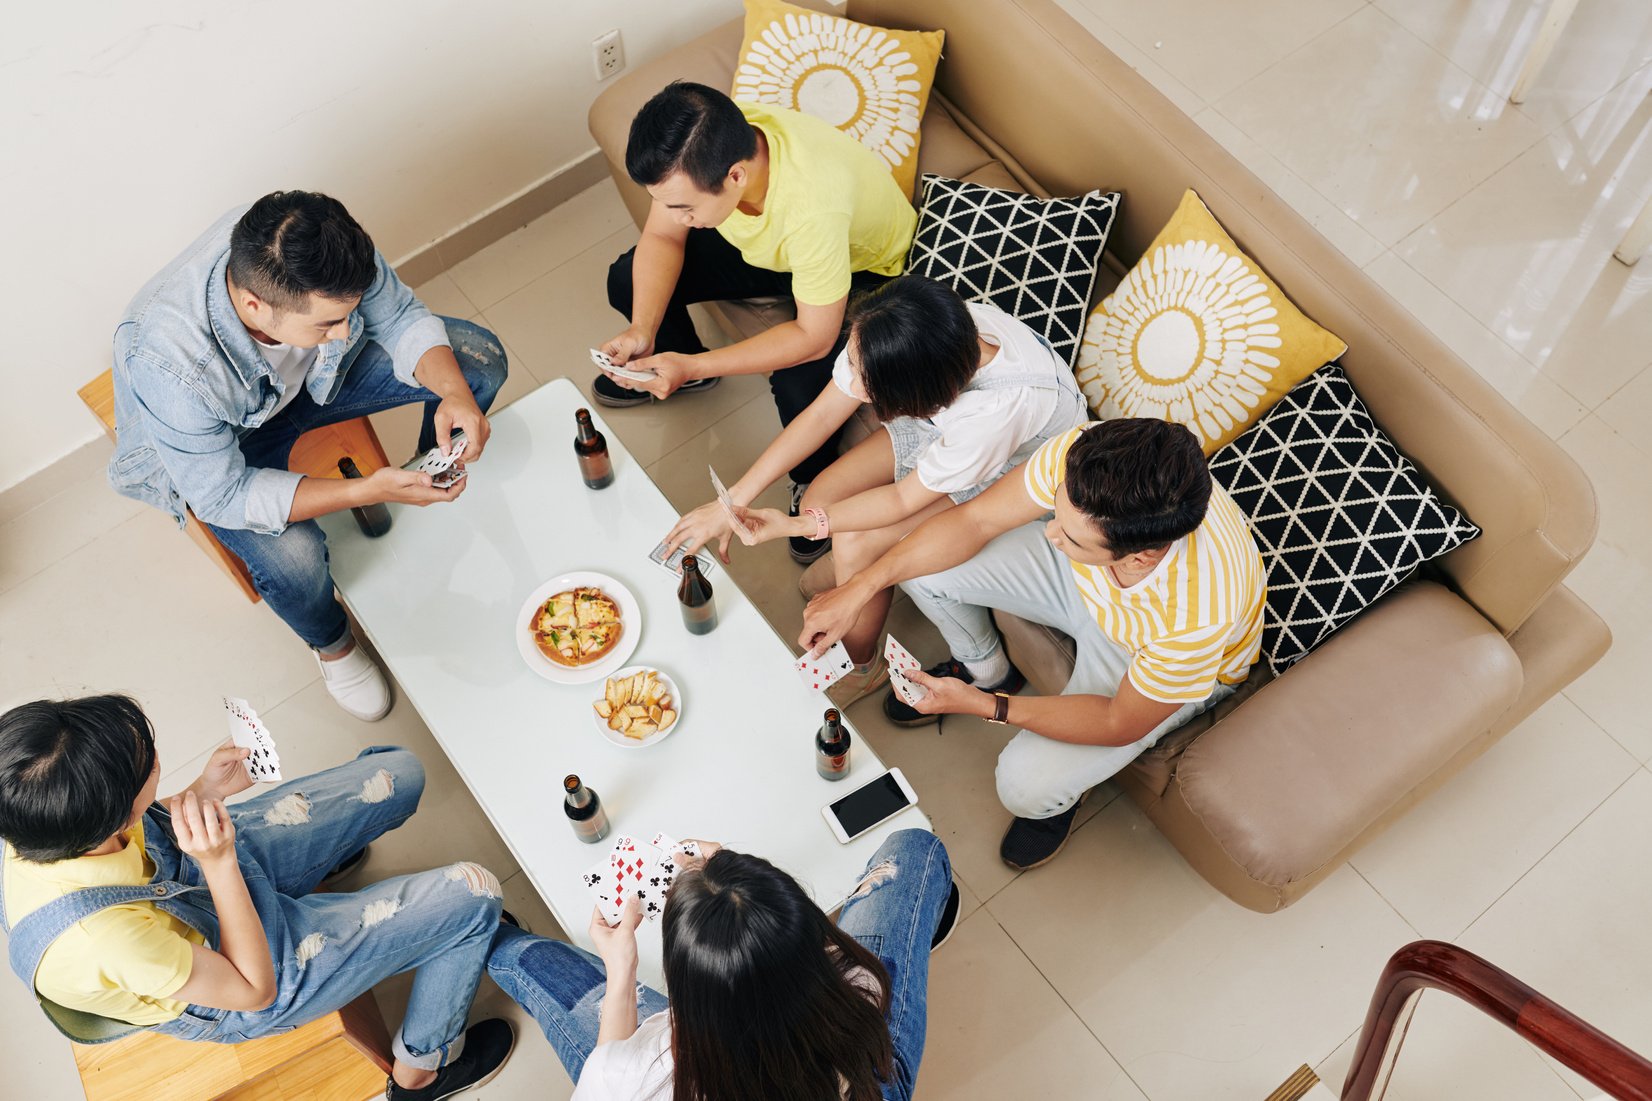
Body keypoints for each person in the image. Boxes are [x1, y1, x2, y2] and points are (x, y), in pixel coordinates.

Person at [108, 191, 509, 721]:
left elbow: (398, 317)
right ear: (255, 307)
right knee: (293, 559)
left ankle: (426, 472)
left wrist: (454, 393)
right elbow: (223, 495)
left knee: (477, 362)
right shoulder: (168, 363)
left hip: (319, 383)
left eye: (347, 312)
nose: (344, 331)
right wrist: (365, 489)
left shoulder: (318, 243)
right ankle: (332, 643)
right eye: (326, 324)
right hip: (229, 447)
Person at [798, 419, 1266, 870]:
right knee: (915, 558)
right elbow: (976, 520)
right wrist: (859, 588)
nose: (1048, 530)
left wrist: (985, 706)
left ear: (1142, 557)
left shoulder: (1199, 616)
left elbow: (1118, 720)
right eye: (1055, 512)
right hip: (1084, 582)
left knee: (1023, 788)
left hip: (1142, 655)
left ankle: (1062, 789)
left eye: (1070, 534)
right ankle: (987, 666)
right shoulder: (1089, 458)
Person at [0, 695, 515, 1101]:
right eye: (142, 766)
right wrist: (220, 861)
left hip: (189, 877)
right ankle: (421, 1075)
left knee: (400, 774)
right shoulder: (103, 941)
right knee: (476, 895)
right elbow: (254, 990)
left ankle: (319, 874)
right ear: (110, 815)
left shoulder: (38, 811)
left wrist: (203, 793)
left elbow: (135, 840)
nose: (151, 751)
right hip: (238, 972)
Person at [662, 276, 1087, 706]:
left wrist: (795, 525)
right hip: (942, 429)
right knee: (820, 500)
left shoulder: (996, 413)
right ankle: (850, 576)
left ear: (913, 394)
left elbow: (902, 500)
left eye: (867, 382)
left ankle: (861, 665)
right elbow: (824, 413)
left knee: (857, 536)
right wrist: (734, 499)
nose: (853, 381)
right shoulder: (925, 331)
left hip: (1007, 468)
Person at [594, 81, 916, 564]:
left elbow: (813, 336)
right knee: (626, 278)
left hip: (859, 270)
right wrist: (644, 329)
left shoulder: (813, 205)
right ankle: (673, 362)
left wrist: (694, 364)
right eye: (666, 201)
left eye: (684, 207)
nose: (674, 215)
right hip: (781, 251)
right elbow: (661, 239)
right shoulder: (706, 145)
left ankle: (812, 483)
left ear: (737, 176)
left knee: (799, 383)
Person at [488, 829, 956, 1101]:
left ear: (688, 987)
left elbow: (607, 1065)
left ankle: (488, 931)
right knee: (915, 847)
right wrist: (733, 875)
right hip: (857, 1081)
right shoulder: (862, 988)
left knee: (530, 959)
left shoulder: (639, 1074)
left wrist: (622, 970)